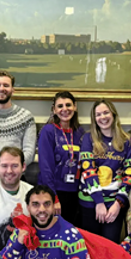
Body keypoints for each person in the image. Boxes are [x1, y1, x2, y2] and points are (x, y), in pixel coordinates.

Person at [79, 100, 131, 242]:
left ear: (113, 114)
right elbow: (88, 170)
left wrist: (118, 203)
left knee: (110, 247)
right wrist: (99, 201)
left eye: (106, 112)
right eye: (98, 114)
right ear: (94, 119)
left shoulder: (128, 141)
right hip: (90, 202)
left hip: (114, 204)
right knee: (90, 247)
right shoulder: (88, 138)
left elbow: (130, 174)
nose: (103, 117)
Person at [37, 91, 84, 226]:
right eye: (60, 106)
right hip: (54, 191)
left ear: (75, 107)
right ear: (54, 109)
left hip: (74, 192)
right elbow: (46, 167)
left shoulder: (79, 132)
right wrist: (53, 197)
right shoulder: (48, 131)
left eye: (68, 105)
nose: (65, 109)